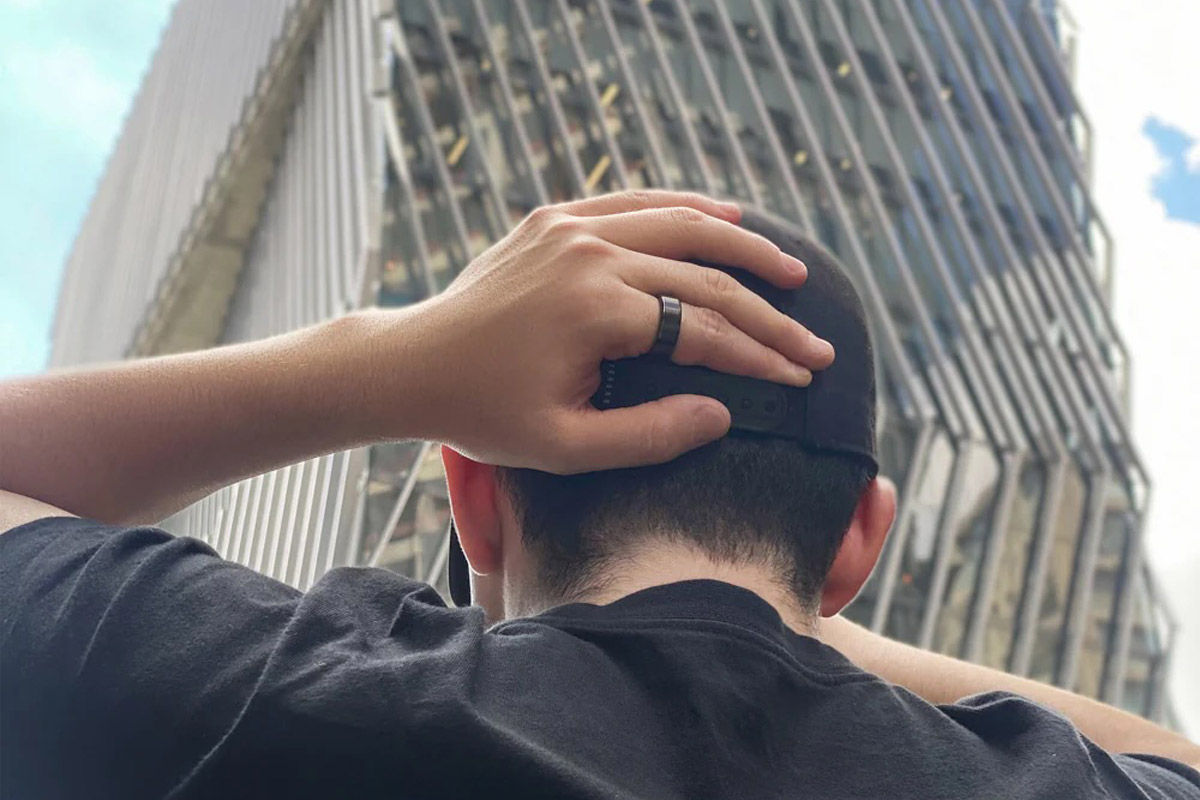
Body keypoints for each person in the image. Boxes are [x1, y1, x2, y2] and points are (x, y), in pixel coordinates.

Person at [0, 191, 1195, 799]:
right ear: (859, 544)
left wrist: (397, 357)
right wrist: (789, 608)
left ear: (472, 493)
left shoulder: (266, 694)